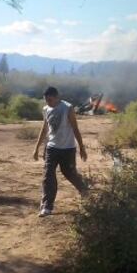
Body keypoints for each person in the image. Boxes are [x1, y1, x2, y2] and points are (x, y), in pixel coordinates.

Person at [33, 86, 88, 217]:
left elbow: (75, 128)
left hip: (68, 149)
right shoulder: (46, 109)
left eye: (50, 100)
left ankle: (85, 191)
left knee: (69, 173)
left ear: (57, 97)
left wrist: (82, 147)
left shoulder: (67, 108)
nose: (48, 102)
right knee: (48, 175)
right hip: (51, 148)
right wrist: (37, 148)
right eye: (46, 100)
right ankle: (47, 206)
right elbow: (44, 128)